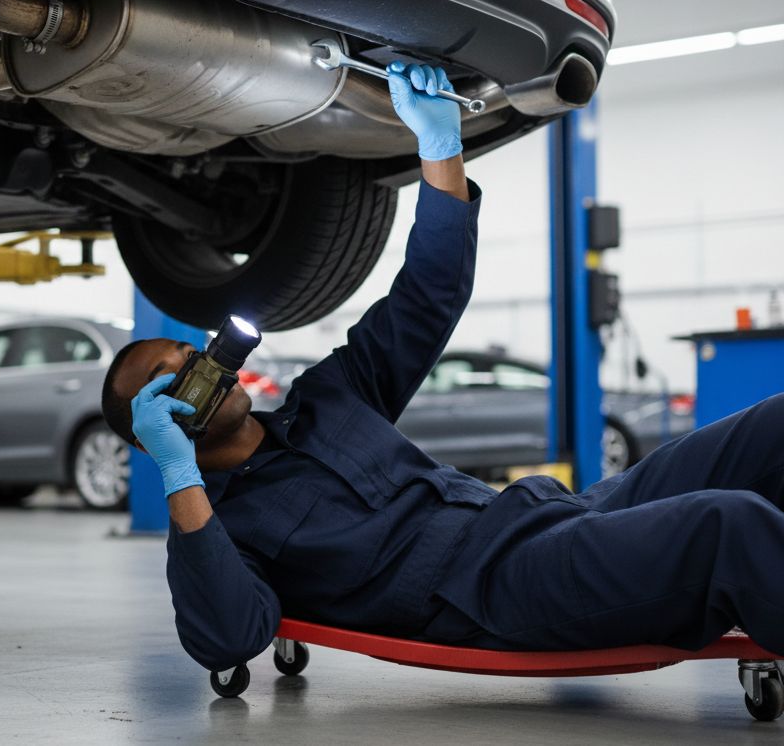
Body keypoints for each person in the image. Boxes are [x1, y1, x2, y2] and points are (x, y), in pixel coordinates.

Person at [101, 63, 784, 672]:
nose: (196, 365)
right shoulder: (225, 528)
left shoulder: (330, 397)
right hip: (502, 586)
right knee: (729, 525)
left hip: (550, 513)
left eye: (190, 353)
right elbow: (225, 637)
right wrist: (179, 473)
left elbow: (427, 298)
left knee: (772, 426)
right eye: (169, 375)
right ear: (152, 428)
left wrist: (439, 148)